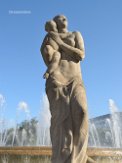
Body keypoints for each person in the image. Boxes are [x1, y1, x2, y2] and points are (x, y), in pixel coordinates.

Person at [41, 15, 94, 163]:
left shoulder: (75, 34)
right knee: (61, 120)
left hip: (75, 79)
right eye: (60, 18)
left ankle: (79, 157)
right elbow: (46, 55)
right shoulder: (49, 37)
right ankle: (61, 157)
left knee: (82, 112)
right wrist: (49, 46)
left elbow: (81, 55)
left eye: (65, 18)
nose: (64, 20)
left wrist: (60, 44)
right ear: (55, 23)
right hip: (56, 80)